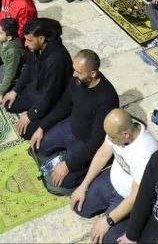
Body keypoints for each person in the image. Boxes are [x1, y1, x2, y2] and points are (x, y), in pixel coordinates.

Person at [33, 50, 120, 194]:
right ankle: (66, 155)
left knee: (63, 182)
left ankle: (85, 164)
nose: (73, 74)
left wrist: (69, 165)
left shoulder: (107, 98)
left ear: (93, 74)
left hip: (86, 141)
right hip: (71, 126)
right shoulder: (78, 81)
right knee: (40, 146)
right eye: (74, 70)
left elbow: (97, 141)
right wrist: (42, 127)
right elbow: (64, 105)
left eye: (79, 72)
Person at [71, 108, 158, 244]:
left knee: (106, 239)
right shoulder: (118, 129)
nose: (109, 139)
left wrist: (108, 220)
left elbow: (136, 197)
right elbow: (102, 154)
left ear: (126, 135)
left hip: (128, 198)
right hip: (111, 181)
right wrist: (83, 186)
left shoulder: (147, 153)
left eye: (112, 137)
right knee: (78, 207)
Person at [3, 18, 72, 139]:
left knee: (25, 132)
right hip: (37, 90)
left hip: (53, 100)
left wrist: (31, 115)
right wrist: (15, 90)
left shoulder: (57, 60)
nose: (25, 44)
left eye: (29, 40)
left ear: (41, 39)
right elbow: (28, 69)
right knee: (9, 103)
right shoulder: (36, 48)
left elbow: (50, 95)